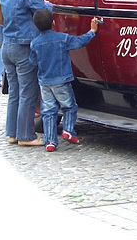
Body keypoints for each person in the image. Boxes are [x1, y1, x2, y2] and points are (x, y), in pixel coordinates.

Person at [0, 0, 52, 146]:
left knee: (14, 91)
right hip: (24, 47)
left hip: (8, 44)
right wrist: (49, 6)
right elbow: (43, 15)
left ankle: (12, 133)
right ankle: (25, 135)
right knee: (28, 92)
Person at [29, 8, 99, 152]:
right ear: (54, 23)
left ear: (36, 26)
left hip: (44, 82)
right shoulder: (63, 38)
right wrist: (92, 31)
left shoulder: (34, 43)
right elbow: (80, 42)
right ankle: (68, 130)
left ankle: (49, 141)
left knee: (48, 111)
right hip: (61, 80)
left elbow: (32, 61)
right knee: (69, 106)